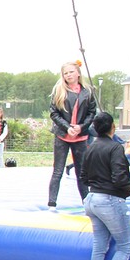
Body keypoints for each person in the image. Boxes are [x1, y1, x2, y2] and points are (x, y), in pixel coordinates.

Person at [81, 112, 130, 260]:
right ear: (113, 126)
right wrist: (128, 190)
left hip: (92, 198)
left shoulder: (91, 148)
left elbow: (83, 177)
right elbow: (120, 177)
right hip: (110, 199)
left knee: (99, 246)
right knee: (125, 246)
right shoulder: (115, 148)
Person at [47, 61, 96, 207]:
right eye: (65, 73)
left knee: (81, 172)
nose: (68, 75)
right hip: (63, 134)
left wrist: (81, 127)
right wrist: (67, 127)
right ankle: (52, 201)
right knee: (58, 170)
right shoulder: (59, 91)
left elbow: (92, 112)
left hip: (80, 136)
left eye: (71, 72)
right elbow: (54, 113)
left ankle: (86, 202)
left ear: (78, 73)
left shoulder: (87, 92)